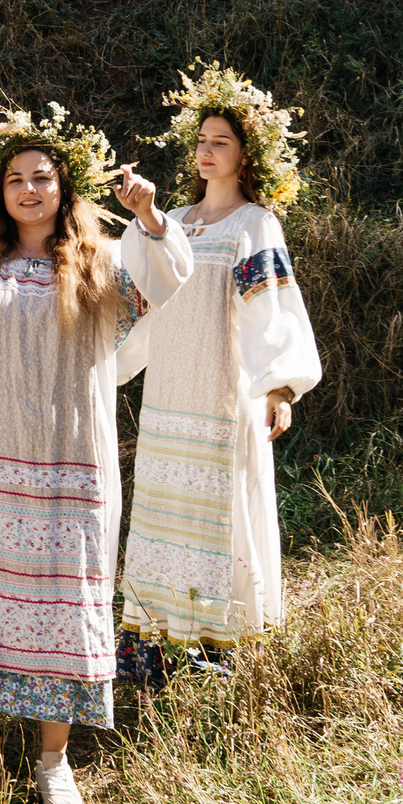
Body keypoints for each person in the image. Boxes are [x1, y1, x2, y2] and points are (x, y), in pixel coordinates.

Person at [0, 103, 192, 804]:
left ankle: (54, 762)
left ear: (64, 187)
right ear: (0, 193)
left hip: (72, 465)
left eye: (42, 177)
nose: (29, 189)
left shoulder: (99, 261)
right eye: (16, 179)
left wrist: (147, 216)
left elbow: (170, 282)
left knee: (65, 597)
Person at [116, 66, 323, 684]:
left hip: (221, 397)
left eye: (221, 143)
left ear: (246, 154)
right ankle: (152, 651)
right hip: (166, 397)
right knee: (160, 514)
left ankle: (214, 658)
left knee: (219, 515)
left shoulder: (252, 225)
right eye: (201, 141)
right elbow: (136, 302)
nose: (206, 152)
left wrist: (281, 386)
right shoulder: (171, 220)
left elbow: (274, 311)